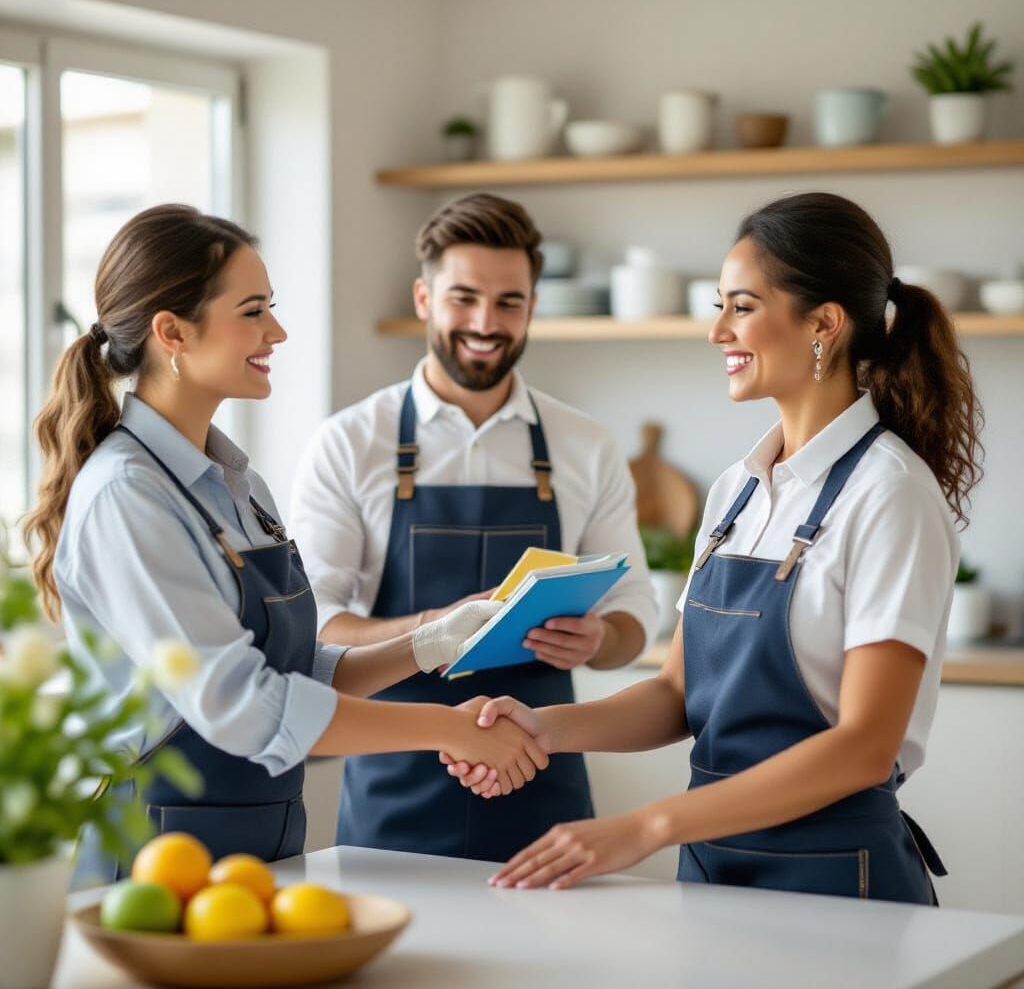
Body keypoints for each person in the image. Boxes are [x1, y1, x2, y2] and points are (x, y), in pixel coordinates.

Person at [445, 192, 982, 903]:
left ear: (823, 323)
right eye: (718, 307)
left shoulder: (890, 494)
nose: (718, 332)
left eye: (742, 306)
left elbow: (863, 748)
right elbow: (677, 694)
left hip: (835, 878)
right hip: (712, 869)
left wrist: (647, 826)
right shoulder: (737, 489)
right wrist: (539, 727)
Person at [24, 204, 545, 888]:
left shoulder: (235, 483)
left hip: (258, 855)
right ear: (172, 332)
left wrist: (436, 640)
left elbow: (290, 668)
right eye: (252, 312)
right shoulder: (128, 495)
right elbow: (244, 703)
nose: (277, 330)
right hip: (155, 863)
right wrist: (448, 728)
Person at [290, 193, 657, 861]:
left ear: (532, 308)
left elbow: (635, 620)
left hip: (544, 792)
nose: (486, 322)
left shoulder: (586, 445)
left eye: (509, 303)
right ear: (424, 300)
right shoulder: (349, 442)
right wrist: (439, 625)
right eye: (463, 298)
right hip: (394, 795)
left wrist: (599, 638)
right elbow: (318, 628)